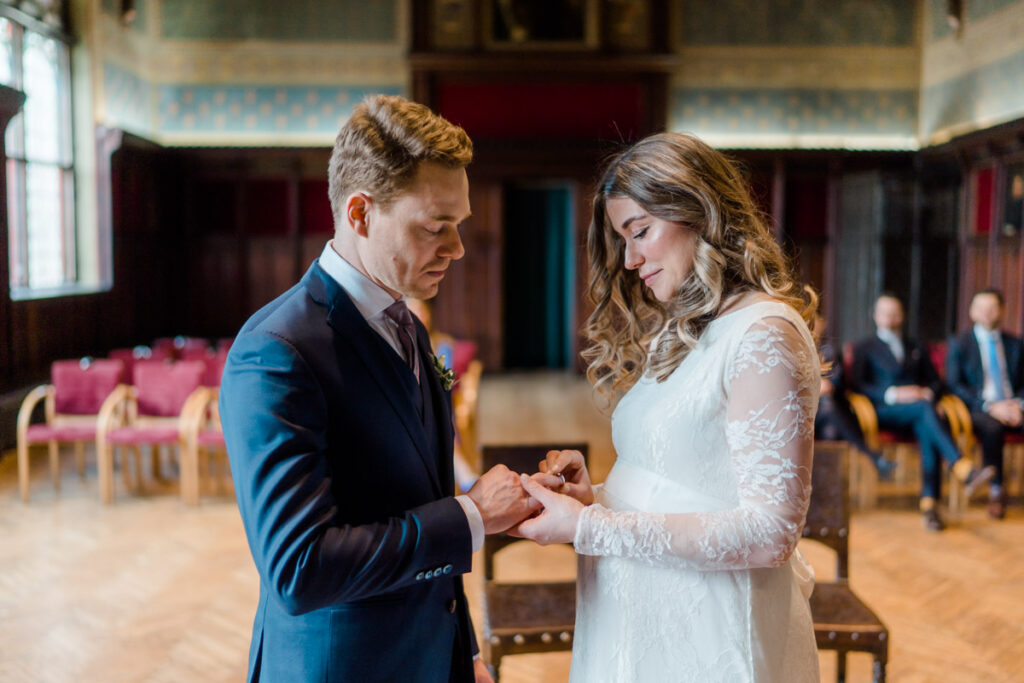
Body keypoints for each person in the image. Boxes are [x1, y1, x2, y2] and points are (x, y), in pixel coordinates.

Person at [219, 94, 538, 683]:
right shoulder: (277, 352)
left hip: (428, 654)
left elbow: (422, 495)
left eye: (460, 226)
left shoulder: (408, 324)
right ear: (360, 214)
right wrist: (471, 515)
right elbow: (299, 569)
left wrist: (460, 650)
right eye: (435, 228)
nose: (458, 248)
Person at [511, 132, 822, 682]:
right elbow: (687, 483)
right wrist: (597, 496)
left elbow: (770, 533)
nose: (629, 260)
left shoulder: (763, 335)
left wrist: (590, 527)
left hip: (710, 635)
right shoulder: (683, 329)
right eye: (622, 239)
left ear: (698, 212)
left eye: (640, 232)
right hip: (639, 614)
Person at [850, 293, 993, 531]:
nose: (890, 317)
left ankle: (930, 507)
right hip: (883, 411)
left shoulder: (915, 345)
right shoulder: (865, 347)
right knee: (928, 415)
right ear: (875, 316)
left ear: (902, 315)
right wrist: (894, 394)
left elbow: (937, 382)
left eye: (895, 312)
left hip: (919, 410)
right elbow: (857, 385)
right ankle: (960, 467)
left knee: (927, 424)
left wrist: (927, 393)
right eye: (885, 312)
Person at [945, 289, 1024, 519]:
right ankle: (996, 491)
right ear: (972, 311)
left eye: (991, 308)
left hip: (1014, 406)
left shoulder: (1016, 344)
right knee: (992, 427)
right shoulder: (959, 343)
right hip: (979, 408)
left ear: (1001, 311)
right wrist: (991, 406)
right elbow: (954, 384)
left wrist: (1018, 405)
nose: (986, 313)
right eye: (980, 307)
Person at [812, 312, 895, 479]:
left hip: (831, 411)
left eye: (815, 319)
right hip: (808, 414)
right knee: (829, 410)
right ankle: (873, 457)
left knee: (831, 420)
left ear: (823, 322)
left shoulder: (829, 351)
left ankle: (829, 487)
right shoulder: (797, 350)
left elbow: (833, 385)